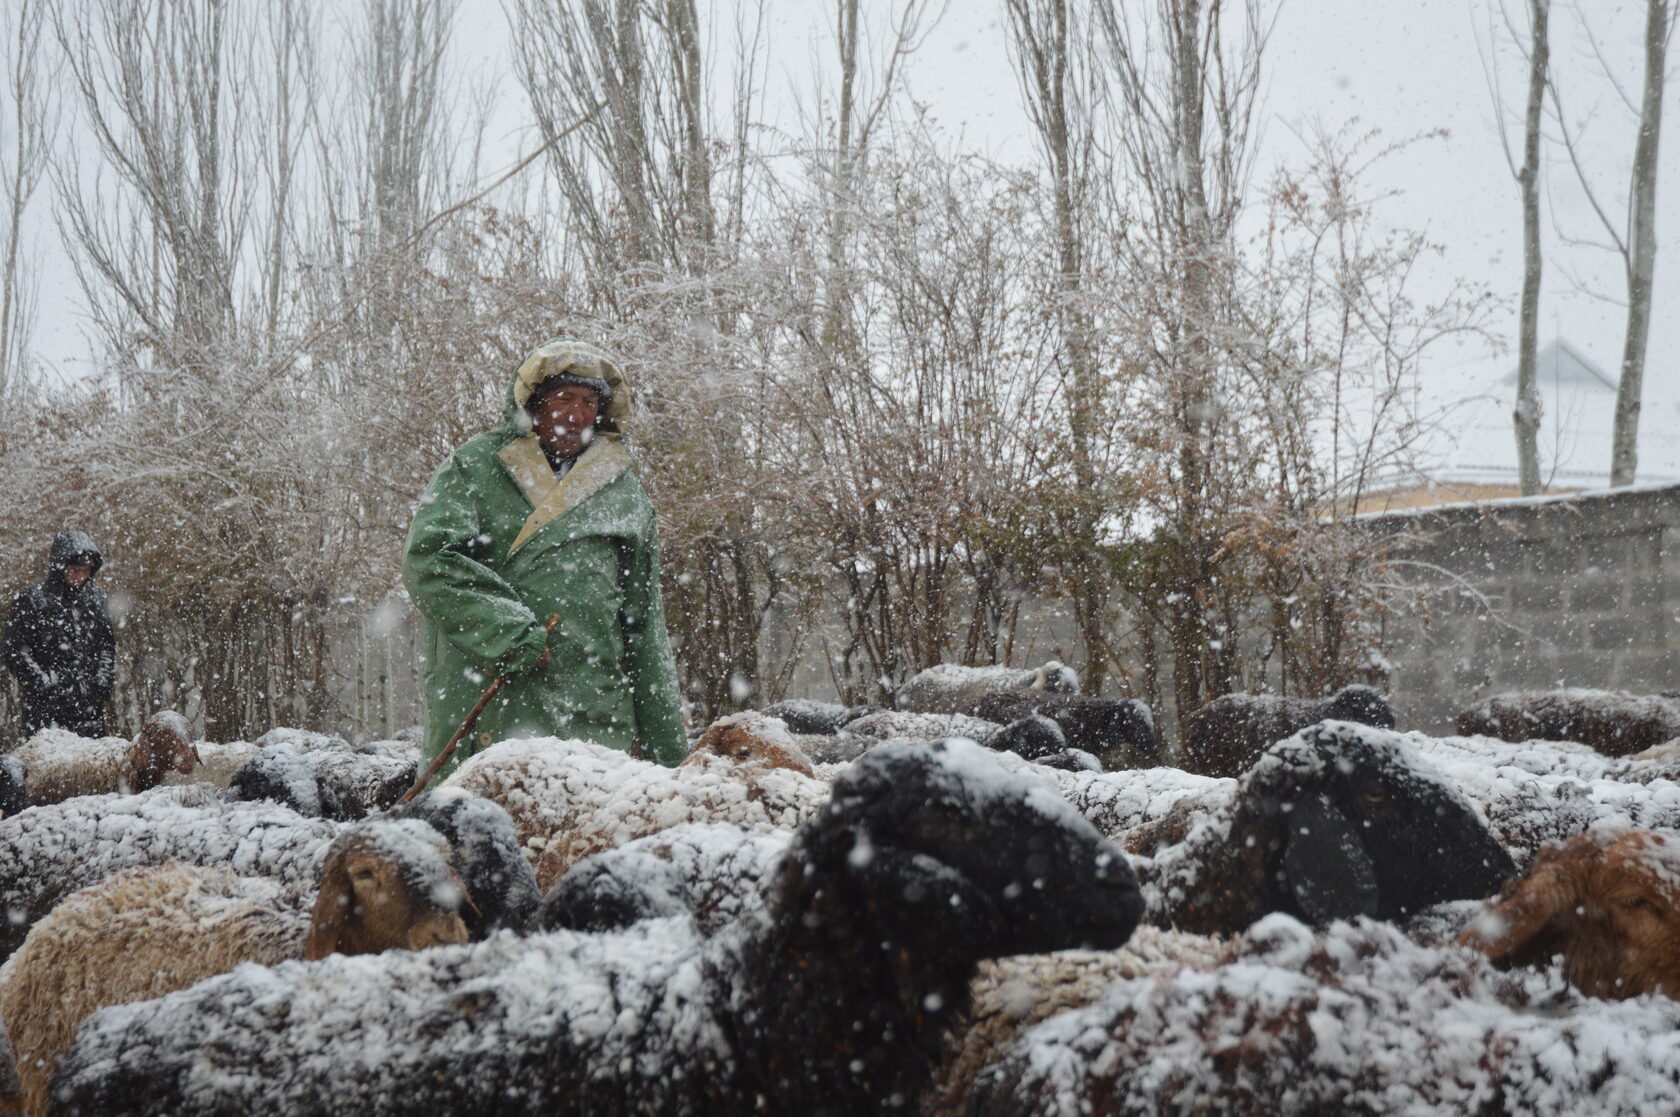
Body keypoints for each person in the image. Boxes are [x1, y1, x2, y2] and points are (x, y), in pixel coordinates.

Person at [402, 337, 688, 784]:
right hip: (492, 691)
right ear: (533, 404)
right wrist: (507, 632)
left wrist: (670, 760)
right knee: (480, 830)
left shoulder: (623, 490)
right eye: (564, 398)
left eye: (589, 402)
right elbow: (430, 561)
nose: (576, 414)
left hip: (592, 704)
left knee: (587, 838)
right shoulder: (476, 467)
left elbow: (644, 624)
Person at [3, 530, 116, 739]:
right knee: (49, 766)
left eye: (85, 571)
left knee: (90, 767)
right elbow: (14, 650)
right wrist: (44, 684)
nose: (80, 577)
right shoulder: (32, 600)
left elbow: (106, 646)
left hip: (88, 708)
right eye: (74, 570)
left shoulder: (97, 599)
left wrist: (101, 683)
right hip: (45, 712)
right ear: (60, 567)